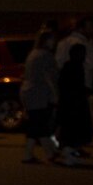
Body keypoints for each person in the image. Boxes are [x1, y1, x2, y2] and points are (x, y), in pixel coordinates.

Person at [20, 28, 60, 163]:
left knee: (36, 123)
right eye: (52, 40)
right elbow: (48, 76)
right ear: (46, 41)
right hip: (38, 93)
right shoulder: (45, 55)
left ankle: (41, 153)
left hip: (28, 91)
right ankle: (47, 152)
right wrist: (55, 93)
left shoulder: (33, 54)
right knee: (39, 123)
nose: (54, 42)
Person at [55, 41, 93, 158]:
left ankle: (75, 148)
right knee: (73, 127)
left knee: (76, 126)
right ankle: (69, 150)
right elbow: (72, 85)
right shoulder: (74, 66)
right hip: (73, 102)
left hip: (73, 101)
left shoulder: (73, 65)